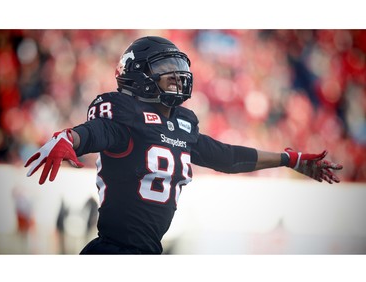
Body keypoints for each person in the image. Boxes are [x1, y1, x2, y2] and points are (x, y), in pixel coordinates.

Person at [24, 36, 343, 254]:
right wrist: (70, 138)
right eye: (164, 68)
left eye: (178, 67)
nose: (177, 75)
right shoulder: (125, 112)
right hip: (114, 251)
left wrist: (290, 159)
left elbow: (228, 156)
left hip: (147, 252)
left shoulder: (183, 123)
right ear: (139, 74)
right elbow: (98, 131)